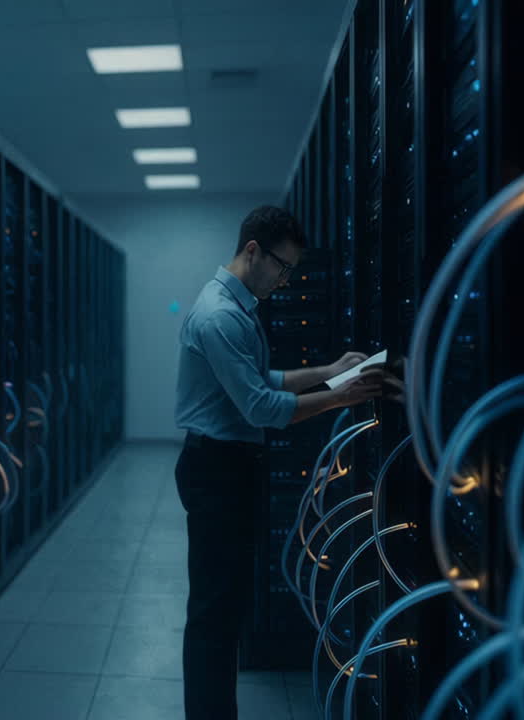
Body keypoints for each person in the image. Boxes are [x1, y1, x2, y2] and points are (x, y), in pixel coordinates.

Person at [173, 205, 384, 720]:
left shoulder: (234, 306)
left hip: (228, 467)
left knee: (223, 609)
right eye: (283, 268)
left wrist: (328, 372)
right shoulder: (219, 315)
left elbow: (258, 379)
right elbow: (261, 408)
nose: (286, 281)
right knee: (214, 615)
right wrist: (342, 396)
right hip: (217, 471)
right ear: (252, 252)